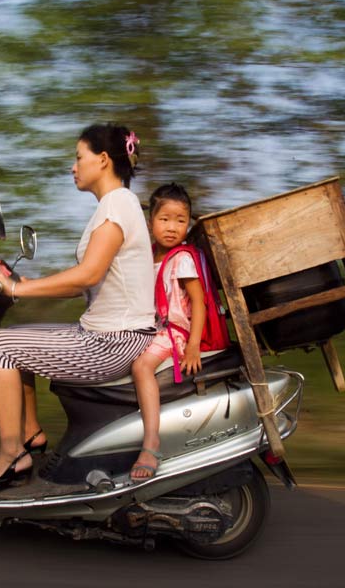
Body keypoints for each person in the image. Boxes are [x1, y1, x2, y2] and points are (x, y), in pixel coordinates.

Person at [0, 123, 156, 492]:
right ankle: (31, 434)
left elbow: (87, 275)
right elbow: (87, 282)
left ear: (103, 160)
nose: (73, 167)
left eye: (78, 157)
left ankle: (12, 455)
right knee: (15, 339)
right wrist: (22, 285)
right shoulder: (115, 205)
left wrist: (17, 289)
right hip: (107, 333)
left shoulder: (117, 204)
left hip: (113, 341)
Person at [129, 183, 205, 482]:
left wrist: (193, 346)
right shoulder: (147, 257)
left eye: (180, 220)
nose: (172, 227)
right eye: (164, 219)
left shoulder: (182, 259)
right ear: (151, 223)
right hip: (151, 328)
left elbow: (198, 302)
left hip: (174, 332)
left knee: (141, 366)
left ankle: (151, 444)